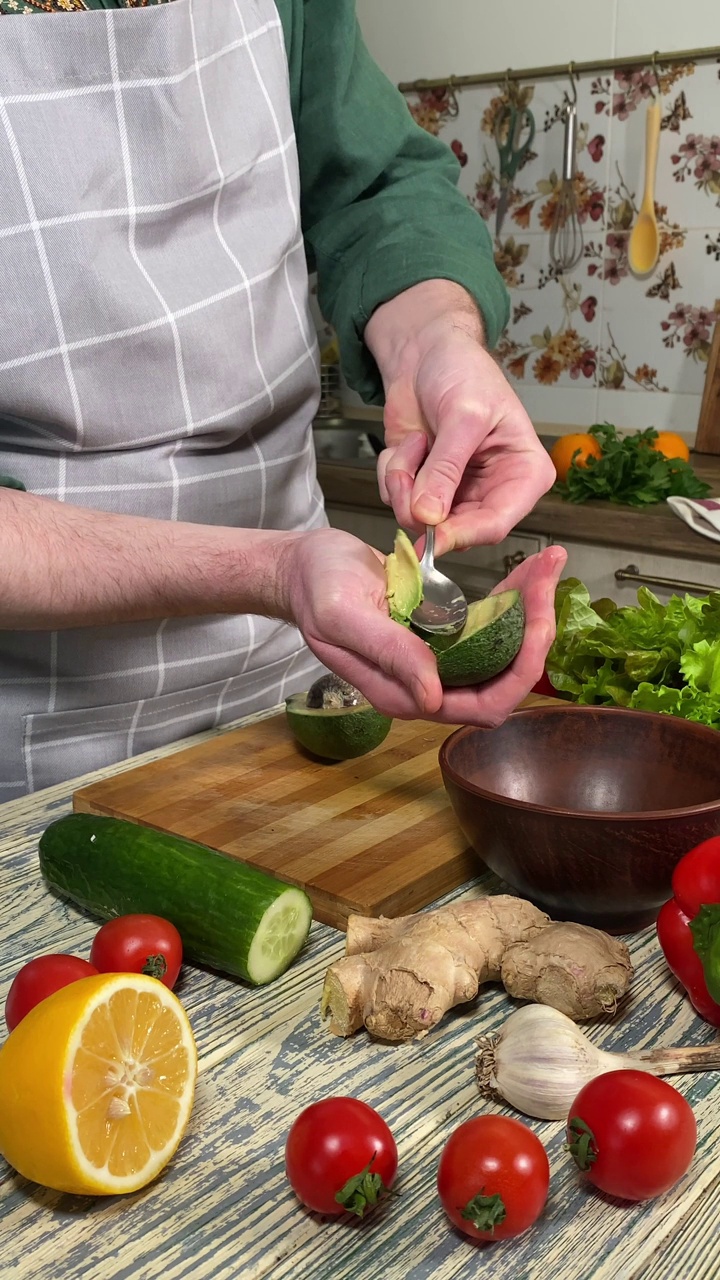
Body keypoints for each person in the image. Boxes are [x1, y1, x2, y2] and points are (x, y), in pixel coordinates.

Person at [0, 0, 565, 801]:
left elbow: (374, 187)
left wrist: (437, 341)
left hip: (293, 667)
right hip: (30, 733)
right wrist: (272, 569)